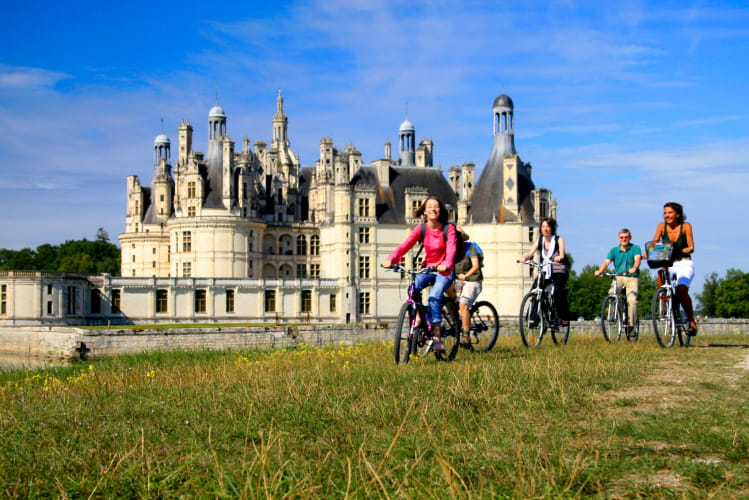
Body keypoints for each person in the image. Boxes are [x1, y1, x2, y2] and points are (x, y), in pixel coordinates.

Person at [381, 196, 457, 352]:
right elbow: (405, 245)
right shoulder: (421, 229)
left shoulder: (448, 229)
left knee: (434, 296)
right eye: (429, 207)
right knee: (412, 289)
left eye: (436, 206)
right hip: (428, 267)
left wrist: (445, 264)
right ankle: (419, 317)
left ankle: (437, 338)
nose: (433, 209)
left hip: (444, 270)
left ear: (440, 210)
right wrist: (391, 259)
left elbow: (451, 250)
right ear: (424, 211)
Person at [652, 202, 697, 335]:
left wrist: (687, 249)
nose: (667, 215)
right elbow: (655, 243)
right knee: (661, 274)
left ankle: (691, 321)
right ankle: (663, 305)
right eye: (665, 213)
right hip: (669, 262)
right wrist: (650, 252)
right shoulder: (661, 226)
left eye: (670, 212)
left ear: (677, 214)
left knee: (682, 290)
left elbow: (691, 245)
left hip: (684, 262)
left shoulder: (686, 226)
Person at [519, 217, 570, 326]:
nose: (545, 229)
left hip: (559, 270)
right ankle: (532, 318)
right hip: (546, 270)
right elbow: (530, 253)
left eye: (547, 226)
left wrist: (559, 258)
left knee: (557, 291)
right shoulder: (540, 241)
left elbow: (561, 253)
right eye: (543, 226)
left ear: (552, 228)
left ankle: (562, 317)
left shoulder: (558, 240)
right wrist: (525, 257)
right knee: (535, 290)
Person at [594, 229, 642, 335]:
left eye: (626, 237)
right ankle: (615, 314)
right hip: (618, 277)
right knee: (612, 294)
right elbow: (606, 262)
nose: (624, 239)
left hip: (631, 277)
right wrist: (600, 271)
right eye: (622, 237)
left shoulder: (635, 248)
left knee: (632, 300)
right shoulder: (614, 250)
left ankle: (632, 325)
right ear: (618, 238)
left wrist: (634, 268)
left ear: (630, 238)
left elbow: (637, 259)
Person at [453, 229, 483, 347]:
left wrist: (465, 275)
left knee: (463, 304)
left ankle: (466, 336)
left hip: (472, 280)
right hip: (458, 280)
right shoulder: (451, 250)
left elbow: (476, 266)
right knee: (448, 302)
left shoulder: (470, 248)